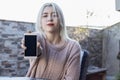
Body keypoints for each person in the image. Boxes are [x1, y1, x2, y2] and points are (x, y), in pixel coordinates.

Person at [21, 2, 81, 80]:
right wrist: (34, 50)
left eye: (54, 15)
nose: (49, 19)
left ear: (61, 20)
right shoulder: (37, 37)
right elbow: (36, 52)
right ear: (40, 22)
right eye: (45, 16)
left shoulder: (73, 47)